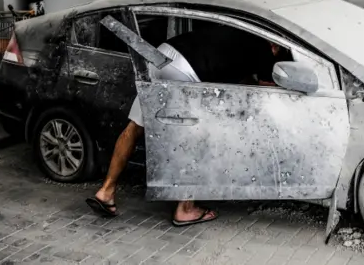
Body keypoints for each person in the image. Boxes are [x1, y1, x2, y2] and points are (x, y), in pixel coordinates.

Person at [86, 25, 289, 227]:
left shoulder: (239, 31)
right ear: (276, 43)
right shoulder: (264, 49)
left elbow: (233, 69)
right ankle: (185, 209)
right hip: (186, 71)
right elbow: (265, 90)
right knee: (195, 140)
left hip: (160, 56)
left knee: (135, 127)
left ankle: (106, 192)